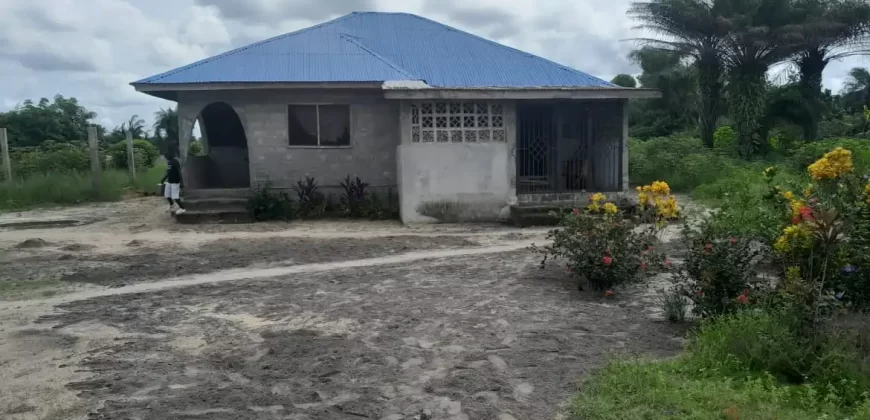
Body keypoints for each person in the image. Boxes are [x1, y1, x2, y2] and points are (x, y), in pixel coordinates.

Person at [160, 150, 186, 214]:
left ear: (169, 156)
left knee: (175, 196)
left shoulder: (175, 162)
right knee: (167, 195)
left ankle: (182, 208)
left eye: (166, 156)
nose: (165, 158)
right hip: (169, 181)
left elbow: (179, 172)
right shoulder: (169, 162)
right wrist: (164, 178)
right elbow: (169, 172)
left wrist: (182, 182)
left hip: (175, 182)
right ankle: (172, 205)